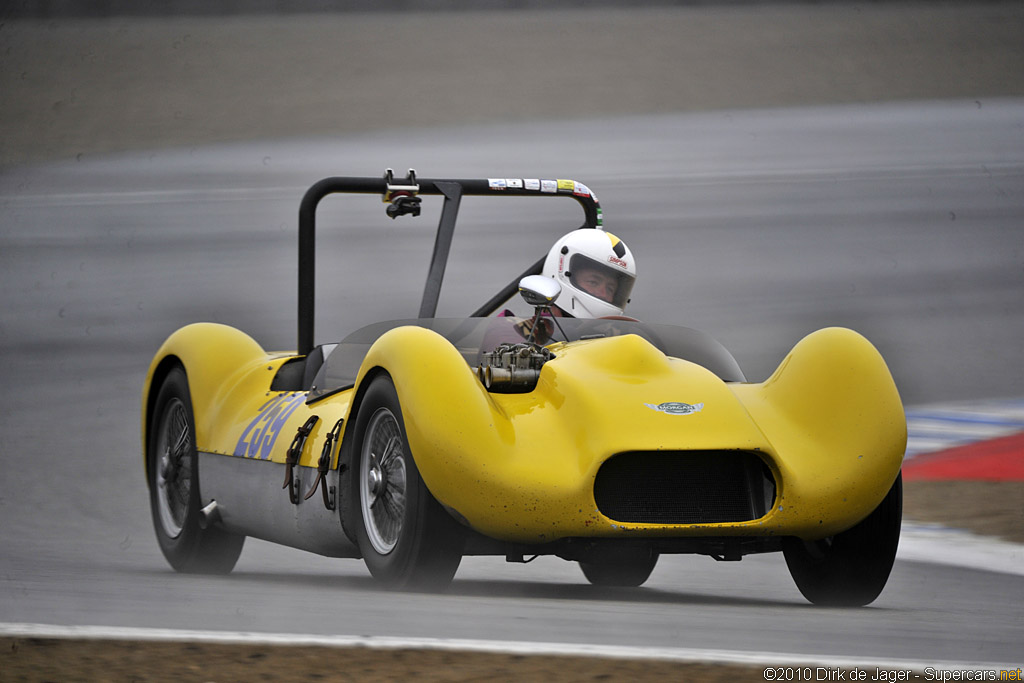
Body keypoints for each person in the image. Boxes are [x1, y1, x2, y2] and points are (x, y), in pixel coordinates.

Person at [540, 227, 637, 318]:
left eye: (610, 289)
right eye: (593, 282)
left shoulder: (620, 333)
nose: (603, 294)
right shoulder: (534, 333)